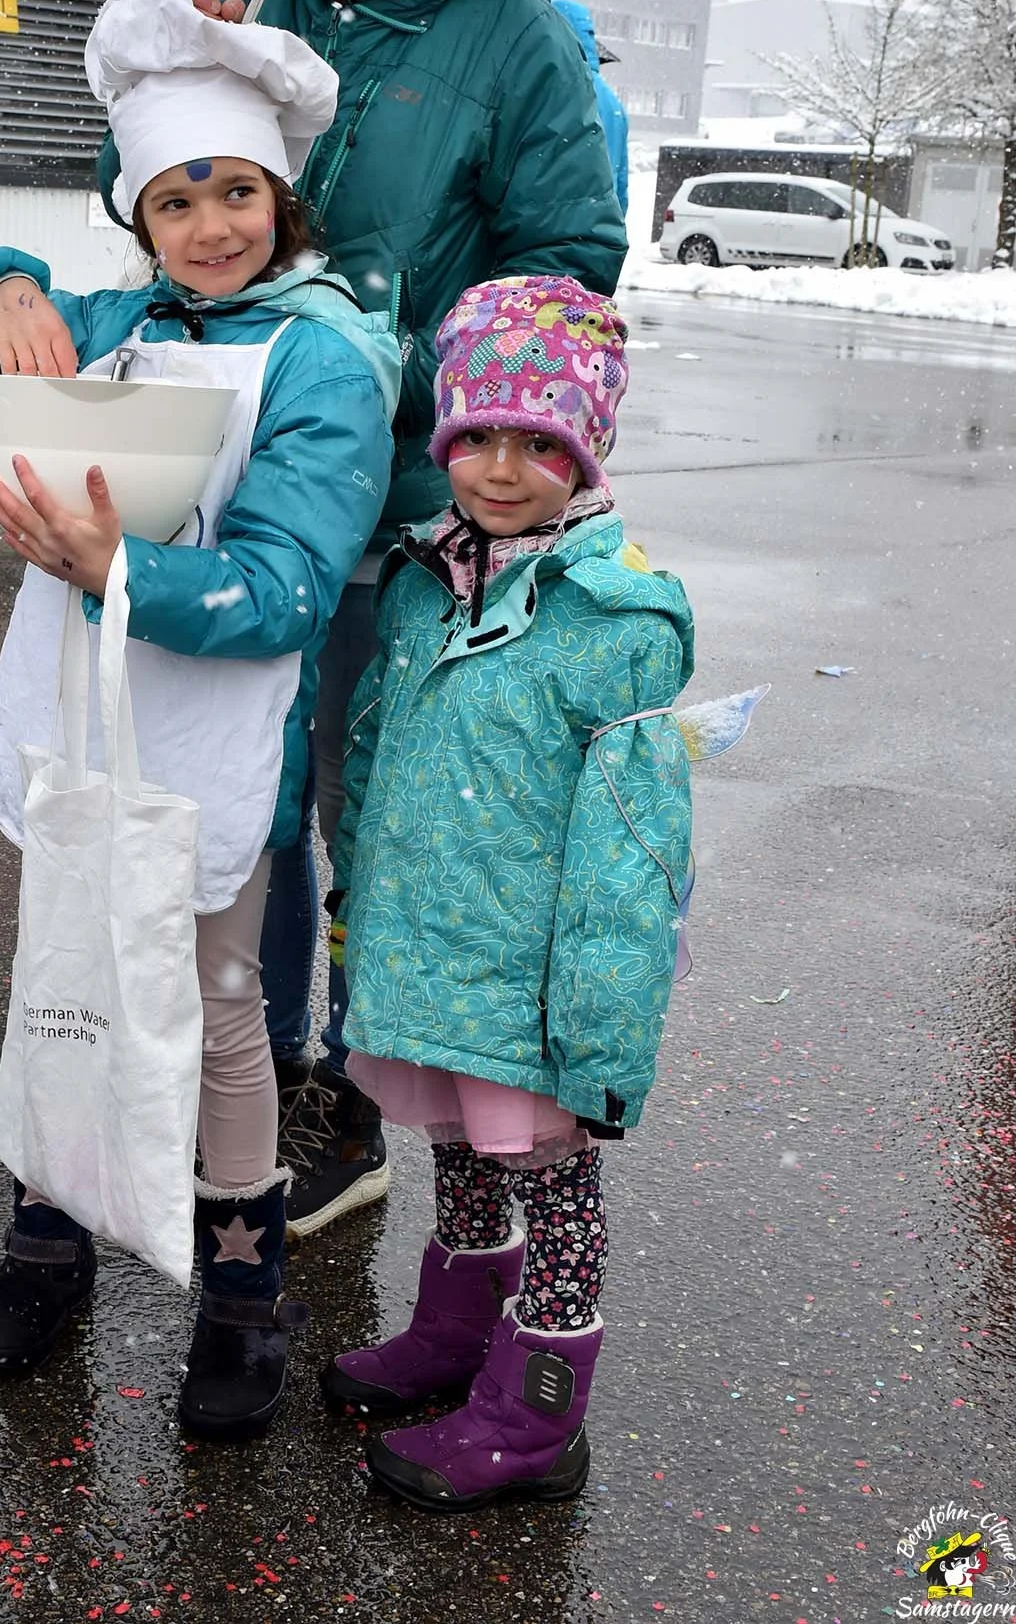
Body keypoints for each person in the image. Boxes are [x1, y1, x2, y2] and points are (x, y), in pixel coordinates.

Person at [96, 0, 628, 1236]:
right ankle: (233, 1081)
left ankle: (352, 1091)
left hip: (399, 491)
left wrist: (410, 369)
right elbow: (144, 177)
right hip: (225, 458)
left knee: (363, 795)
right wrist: (172, 60)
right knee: (237, 785)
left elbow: (566, 260)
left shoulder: (517, 36)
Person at [0, 0, 396, 1439]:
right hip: (78, 717)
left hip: (211, 745)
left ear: (282, 196)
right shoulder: (109, 313)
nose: (210, 225)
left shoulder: (326, 354)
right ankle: (46, 1237)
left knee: (224, 1007)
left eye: (236, 190)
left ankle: (241, 1290)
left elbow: (296, 583)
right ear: (138, 215)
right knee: (61, 981)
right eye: (175, 198)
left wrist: (122, 567)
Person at [318, 276, 694, 1510]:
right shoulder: (428, 579)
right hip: (429, 958)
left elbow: (631, 849)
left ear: (585, 451)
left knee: (550, 1181)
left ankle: (537, 1418)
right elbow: (374, 751)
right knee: (458, 1152)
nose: (497, 467)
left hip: (531, 986)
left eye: (541, 441)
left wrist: (598, 1031)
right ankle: (453, 1333)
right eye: (475, 434)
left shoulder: (615, 619)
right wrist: (356, 913)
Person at [557, 0, 630, 215]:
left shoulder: (562, 91)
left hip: (564, 227)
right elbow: (622, 183)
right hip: (602, 230)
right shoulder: (613, 103)